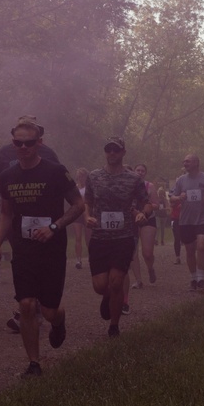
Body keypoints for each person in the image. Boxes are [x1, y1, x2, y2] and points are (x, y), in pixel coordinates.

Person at [0, 117, 83, 377]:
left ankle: (59, 321)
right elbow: (6, 214)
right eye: (18, 143)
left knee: (49, 310)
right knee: (27, 305)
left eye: (28, 143)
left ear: (39, 143)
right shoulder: (8, 176)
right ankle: (34, 363)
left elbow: (78, 205)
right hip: (24, 249)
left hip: (52, 248)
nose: (23, 147)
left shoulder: (55, 171)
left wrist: (54, 227)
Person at [84, 138, 151, 337]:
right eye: (108, 149)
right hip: (100, 237)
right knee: (100, 286)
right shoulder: (94, 176)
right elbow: (87, 200)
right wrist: (87, 215)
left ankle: (114, 326)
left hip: (123, 237)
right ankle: (107, 297)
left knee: (116, 281)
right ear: (105, 152)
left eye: (115, 150)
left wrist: (142, 214)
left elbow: (145, 202)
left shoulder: (133, 179)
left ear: (123, 152)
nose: (111, 153)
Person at [170, 154, 204, 292]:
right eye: (184, 161)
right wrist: (179, 197)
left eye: (188, 161)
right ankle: (193, 278)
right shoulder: (180, 180)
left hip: (203, 218)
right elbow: (172, 198)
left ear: (196, 162)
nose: (185, 163)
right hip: (186, 220)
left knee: (201, 246)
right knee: (190, 250)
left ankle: (201, 278)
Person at [131, 163, 158, 287]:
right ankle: (138, 280)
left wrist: (143, 212)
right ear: (134, 171)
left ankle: (150, 268)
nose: (140, 172)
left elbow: (156, 204)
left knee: (147, 253)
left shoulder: (150, 186)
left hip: (148, 219)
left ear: (145, 173)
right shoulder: (128, 184)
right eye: (138, 170)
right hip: (131, 220)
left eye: (143, 171)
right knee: (133, 252)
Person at [70, 168, 89, 270]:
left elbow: (88, 201)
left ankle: (91, 258)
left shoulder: (89, 188)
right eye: (79, 176)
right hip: (77, 214)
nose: (80, 178)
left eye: (82, 176)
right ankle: (78, 260)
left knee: (88, 237)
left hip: (88, 213)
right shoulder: (75, 188)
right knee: (78, 237)